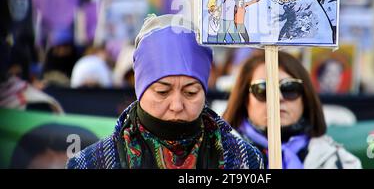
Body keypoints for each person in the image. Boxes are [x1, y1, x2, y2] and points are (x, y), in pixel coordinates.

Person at [66, 14, 263, 169]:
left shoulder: (245, 160)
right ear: (139, 90)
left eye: (191, 92)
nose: (176, 105)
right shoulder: (91, 163)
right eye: (162, 92)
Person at [223, 51, 361, 169]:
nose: (277, 98)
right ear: (244, 100)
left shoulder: (341, 162)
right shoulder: (216, 157)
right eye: (263, 89)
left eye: (289, 88)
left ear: (305, 99)